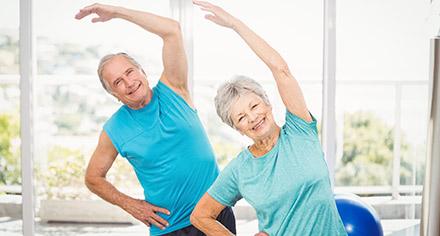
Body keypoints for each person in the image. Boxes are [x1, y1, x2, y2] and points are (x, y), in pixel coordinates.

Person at [75, 3, 236, 236]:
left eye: (130, 72)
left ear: (142, 71)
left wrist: (117, 13)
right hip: (170, 228)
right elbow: (93, 178)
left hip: (214, 215)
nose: (128, 82)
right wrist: (131, 204)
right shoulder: (114, 129)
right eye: (118, 82)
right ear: (114, 95)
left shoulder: (174, 88)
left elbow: (171, 30)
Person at [190, 1, 347, 235]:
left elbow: (280, 69)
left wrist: (234, 25)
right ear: (237, 128)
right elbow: (200, 216)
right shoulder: (240, 169)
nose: (253, 117)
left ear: (268, 103)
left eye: (254, 105)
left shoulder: (300, 131)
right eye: (241, 117)